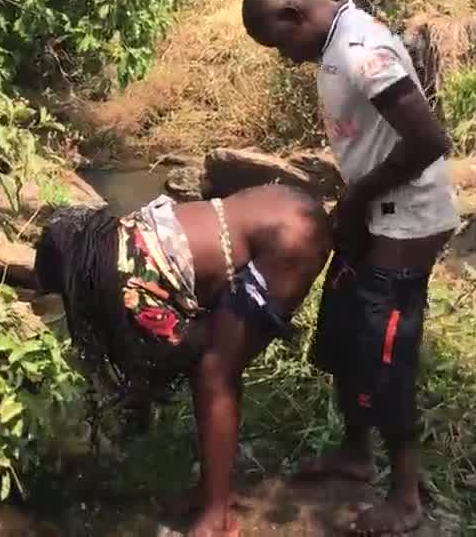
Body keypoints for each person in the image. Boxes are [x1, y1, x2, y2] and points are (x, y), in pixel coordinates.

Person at [241, 0, 460, 534]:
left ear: (294, 16)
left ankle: (405, 497)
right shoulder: (335, 45)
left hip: (407, 219)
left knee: (385, 351)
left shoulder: (361, 51)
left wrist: (356, 197)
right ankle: (355, 453)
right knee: (343, 328)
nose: (287, 59)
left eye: (282, 45)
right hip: (375, 212)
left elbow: (428, 140)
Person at [33, 184, 332, 537]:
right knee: (218, 365)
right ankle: (212, 491)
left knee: (213, 373)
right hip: (283, 207)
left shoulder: (125, 281)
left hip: (286, 243)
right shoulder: (120, 238)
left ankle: (217, 517)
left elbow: (190, 347)